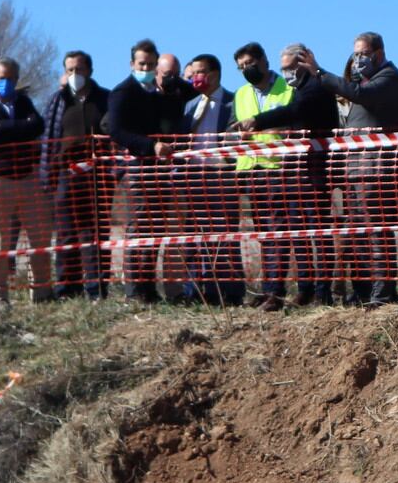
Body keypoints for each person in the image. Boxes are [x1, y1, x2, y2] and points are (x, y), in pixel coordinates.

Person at [232, 41, 337, 309]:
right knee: (299, 232)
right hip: (292, 171)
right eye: (284, 69)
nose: (287, 73)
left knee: (318, 232)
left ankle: (322, 292)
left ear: (305, 63)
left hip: (313, 171)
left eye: (290, 68)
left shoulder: (315, 88)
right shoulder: (297, 88)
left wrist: (258, 121)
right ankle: (305, 288)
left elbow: (294, 112)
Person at [321, 31, 398, 306]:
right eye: (355, 54)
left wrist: (318, 72)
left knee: (377, 231)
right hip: (356, 170)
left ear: (378, 54)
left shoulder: (390, 79)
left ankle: (382, 293)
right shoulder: (365, 83)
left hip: (378, 170)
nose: (358, 60)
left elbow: (360, 93)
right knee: (358, 231)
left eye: (363, 54)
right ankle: (361, 291)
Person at [106, 39, 193, 301]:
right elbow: (116, 130)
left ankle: (149, 288)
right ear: (132, 64)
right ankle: (135, 290)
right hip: (137, 166)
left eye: (151, 64)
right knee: (140, 227)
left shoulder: (157, 93)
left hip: (160, 169)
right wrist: (150, 145)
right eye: (142, 63)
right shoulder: (123, 92)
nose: (146, 67)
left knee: (155, 228)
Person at [0, 56, 49, 307]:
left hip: (27, 177)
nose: (7, 83)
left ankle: (42, 293)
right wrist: (18, 128)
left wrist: (5, 127)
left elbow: (38, 125)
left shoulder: (24, 102)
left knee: (40, 238)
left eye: (12, 78)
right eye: (2, 78)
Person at [175, 53, 246, 307]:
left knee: (224, 235)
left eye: (201, 72)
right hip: (193, 179)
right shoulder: (190, 106)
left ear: (215, 73)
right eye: (193, 72)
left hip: (221, 178)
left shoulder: (233, 102)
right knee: (194, 236)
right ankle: (194, 290)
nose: (196, 77)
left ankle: (230, 292)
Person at [40, 49, 110, 298]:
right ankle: (67, 287)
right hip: (64, 176)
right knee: (66, 232)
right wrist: (47, 174)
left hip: (98, 176)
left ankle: (96, 287)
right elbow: (48, 137)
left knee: (94, 232)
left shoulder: (105, 98)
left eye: (79, 69)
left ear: (89, 71)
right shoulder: (57, 101)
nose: (74, 74)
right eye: (70, 70)